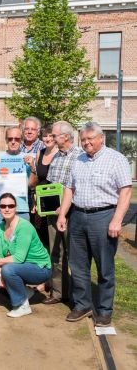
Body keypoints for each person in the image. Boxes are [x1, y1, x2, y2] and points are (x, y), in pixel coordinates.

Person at [58, 122, 132, 326]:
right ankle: (83, 304)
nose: (86, 143)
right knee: (78, 265)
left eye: (90, 139)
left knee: (104, 266)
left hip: (104, 216)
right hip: (78, 217)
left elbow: (125, 192)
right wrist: (63, 214)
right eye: (83, 139)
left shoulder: (116, 159)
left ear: (101, 139)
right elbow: (69, 189)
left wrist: (117, 220)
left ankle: (105, 310)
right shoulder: (78, 160)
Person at [0, 193, 51, 318]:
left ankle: (22, 305)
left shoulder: (24, 226)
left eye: (11, 205)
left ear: (16, 208)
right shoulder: (0, 227)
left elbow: (19, 258)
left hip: (40, 268)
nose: (7, 209)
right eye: (3, 206)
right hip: (20, 267)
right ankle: (26, 292)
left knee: (8, 269)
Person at [42, 121, 80, 305]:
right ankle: (58, 292)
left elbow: (79, 188)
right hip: (53, 214)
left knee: (73, 254)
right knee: (55, 252)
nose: (52, 138)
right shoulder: (57, 157)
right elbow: (50, 185)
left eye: (55, 135)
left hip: (72, 214)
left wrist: (65, 207)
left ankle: (76, 295)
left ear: (65, 136)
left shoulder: (80, 157)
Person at [0, 127, 36, 252]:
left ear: (21, 140)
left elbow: (31, 184)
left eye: (17, 139)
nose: (13, 142)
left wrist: (33, 168)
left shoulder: (27, 159)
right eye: (10, 139)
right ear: (6, 140)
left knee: (22, 246)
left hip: (21, 207)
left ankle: (15, 271)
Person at [29, 125, 58, 250]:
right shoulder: (39, 153)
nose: (47, 139)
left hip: (55, 198)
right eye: (45, 136)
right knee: (40, 232)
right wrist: (35, 200)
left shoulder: (60, 154)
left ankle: (56, 265)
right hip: (41, 197)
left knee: (54, 234)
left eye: (51, 136)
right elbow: (37, 178)